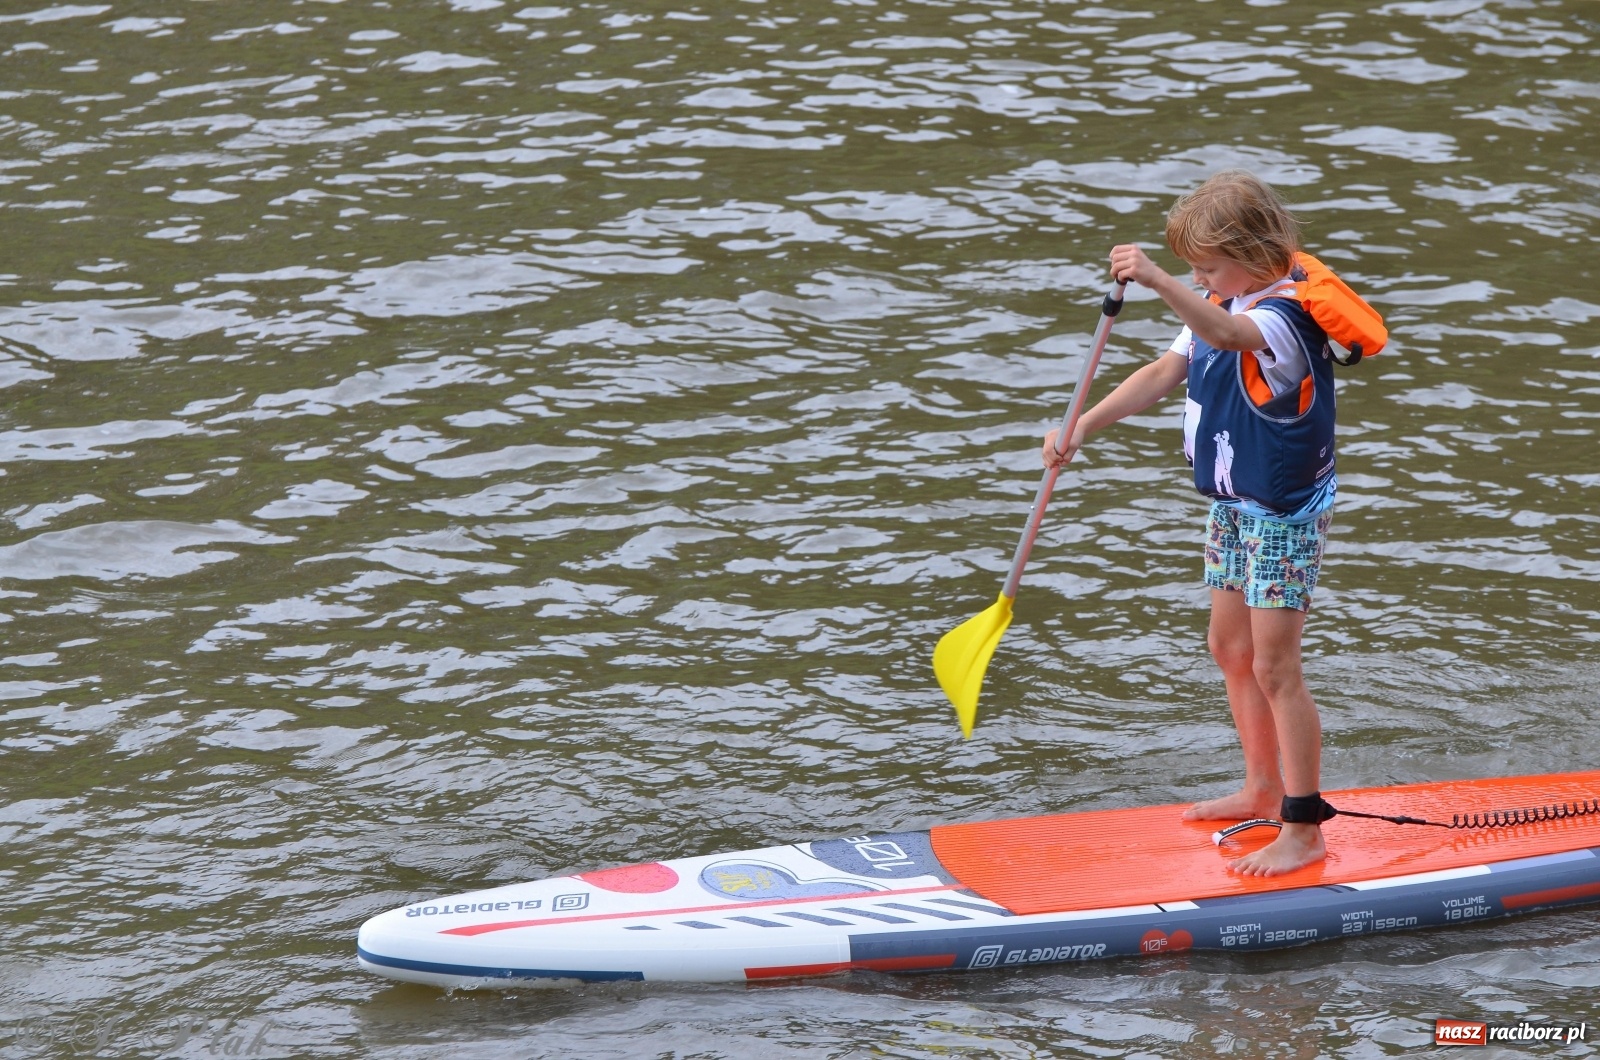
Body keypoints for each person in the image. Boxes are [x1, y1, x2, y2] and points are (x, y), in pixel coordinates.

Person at [1042, 170, 1345, 877]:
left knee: (1276, 666)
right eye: (1193, 270)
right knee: (1228, 648)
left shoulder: (1278, 317)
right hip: (1233, 505)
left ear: (1256, 253)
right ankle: (1262, 785)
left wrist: (1154, 278)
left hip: (1282, 514)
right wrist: (1080, 424)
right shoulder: (1219, 297)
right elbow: (1162, 371)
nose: (1200, 279)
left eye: (1208, 266)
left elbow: (1229, 333)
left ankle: (1304, 825)